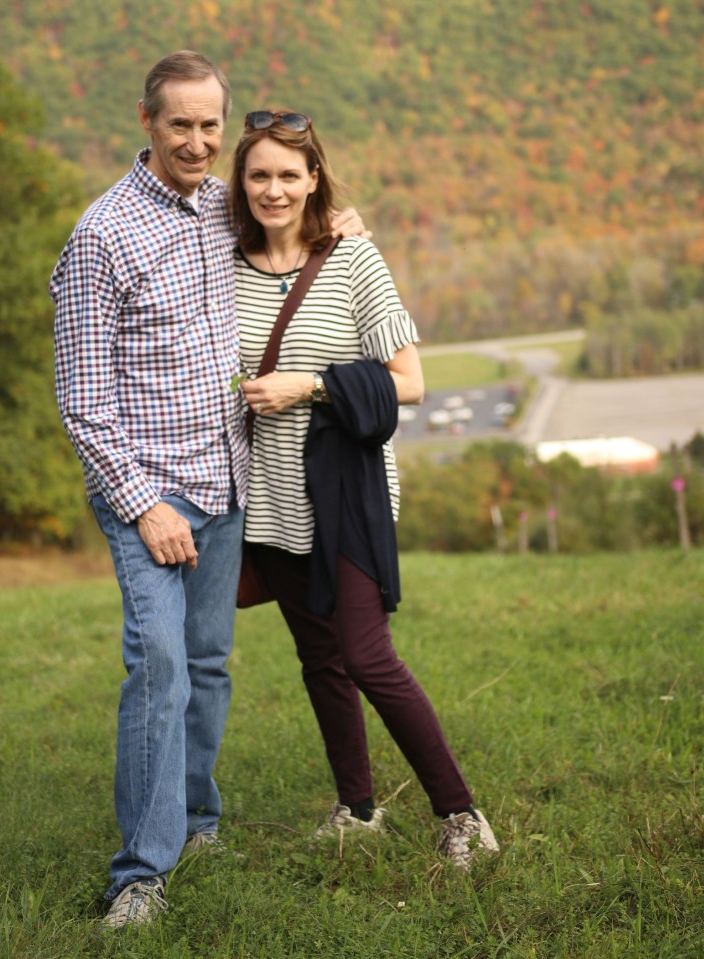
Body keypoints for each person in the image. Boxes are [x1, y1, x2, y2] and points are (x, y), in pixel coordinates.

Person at [51, 55, 364, 930]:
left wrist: (339, 218)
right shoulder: (102, 235)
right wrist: (143, 504)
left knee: (207, 665)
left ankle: (196, 823)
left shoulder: (219, 210)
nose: (196, 141)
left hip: (225, 476)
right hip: (147, 491)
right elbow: (82, 397)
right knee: (156, 667)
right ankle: (139, 876)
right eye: (179, 124)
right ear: (145, 120)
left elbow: (285, 214)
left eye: (208, 126)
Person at [229, 111, 499, 870]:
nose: (273, 189)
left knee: (366, 653)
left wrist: (308, 386)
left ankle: (461, 814)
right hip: (269, 495)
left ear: (314, 178)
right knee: (319, 658)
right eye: (259, 175)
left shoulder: (352, 259)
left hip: (346, 493)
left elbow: (411, 382)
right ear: (240, 183)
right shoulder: (223, 262)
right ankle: (356, 807)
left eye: (289, 174)